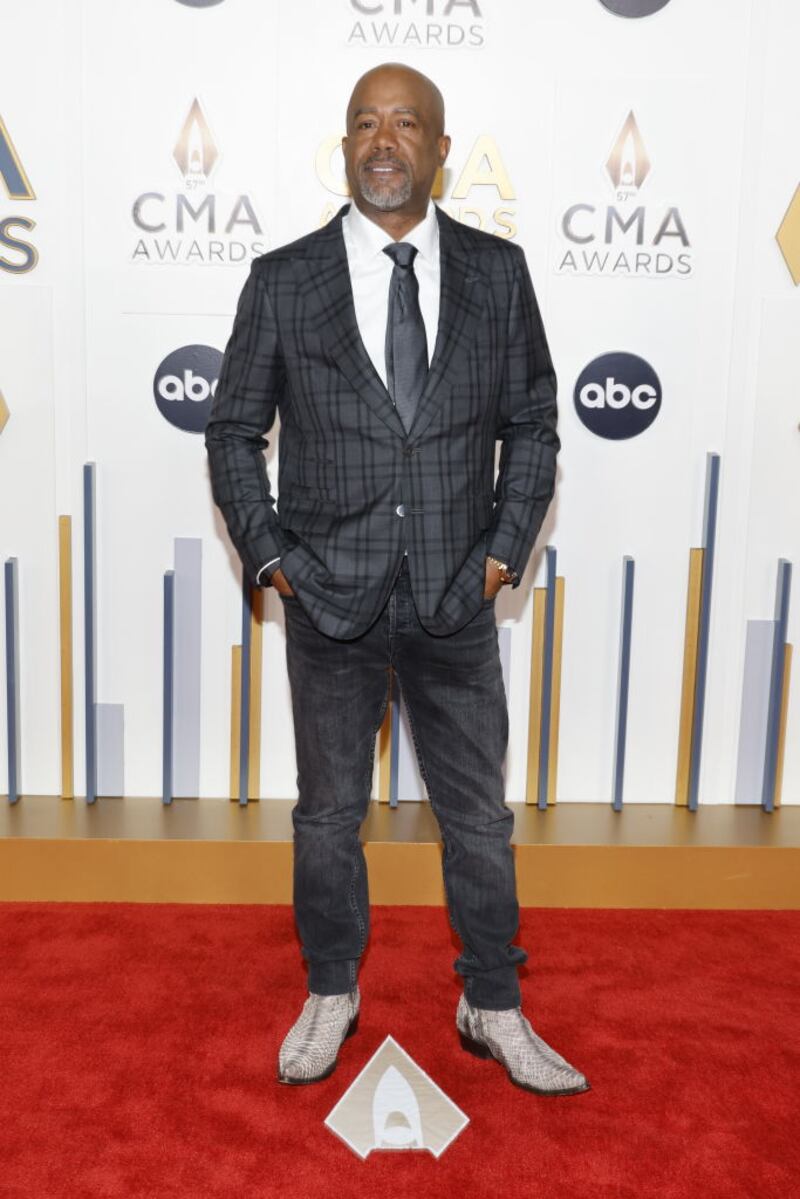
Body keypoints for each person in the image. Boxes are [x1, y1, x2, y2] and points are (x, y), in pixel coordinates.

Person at [205, 63, 589, 1098]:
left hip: (456, 598)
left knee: (477, 819)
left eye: (406, 123)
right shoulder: (284, 278)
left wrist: (501, 553)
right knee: (327, 815)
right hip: (326, 599)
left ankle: (491, 1002)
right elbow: (235, 430)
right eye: (365, 124)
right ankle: (331, 986)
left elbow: (533, 427)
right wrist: (271, 555)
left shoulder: (496, 273)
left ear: (438, 149)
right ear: (343, 149)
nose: (384, 140)